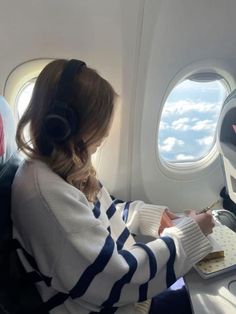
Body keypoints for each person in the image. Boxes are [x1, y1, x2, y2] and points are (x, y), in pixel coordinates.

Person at [11, 59, 214, 314]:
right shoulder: (43, 196)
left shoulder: (60, 168)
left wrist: (150, 216)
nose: (105, 134)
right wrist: (189, 235)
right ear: (65, 123)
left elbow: (98, 217)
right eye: (99, 123)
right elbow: (117, 278)